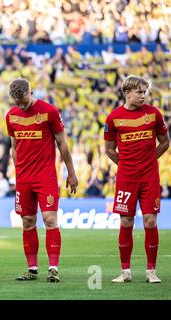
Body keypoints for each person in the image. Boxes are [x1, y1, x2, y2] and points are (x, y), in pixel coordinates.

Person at [5, 78, 78, 282]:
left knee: (50, 219)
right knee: (27, 222)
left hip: (45, 176)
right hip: (24, 178)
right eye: (17, 102)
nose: (21, 105)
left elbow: (62, 143)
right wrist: (18, 172)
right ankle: (32, 269)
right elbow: (14, 146)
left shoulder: (49, 111)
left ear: (31, 91)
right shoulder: (11, 115)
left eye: (24, 100)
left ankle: (53, 268)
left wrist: (71, 173)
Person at [104, 75, 169, 283]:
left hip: (149, 177)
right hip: (126, 178)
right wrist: (126, 165)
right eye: (139, 92)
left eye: (144, 92)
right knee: (126, 221)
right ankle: (125, 272)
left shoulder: (153, 114)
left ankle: (151, 271)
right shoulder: (113, 118)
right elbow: (109, 150)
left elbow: (165, 142)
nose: (143, 96)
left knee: (150, 221)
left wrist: (150, 160)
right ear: (127, 93)